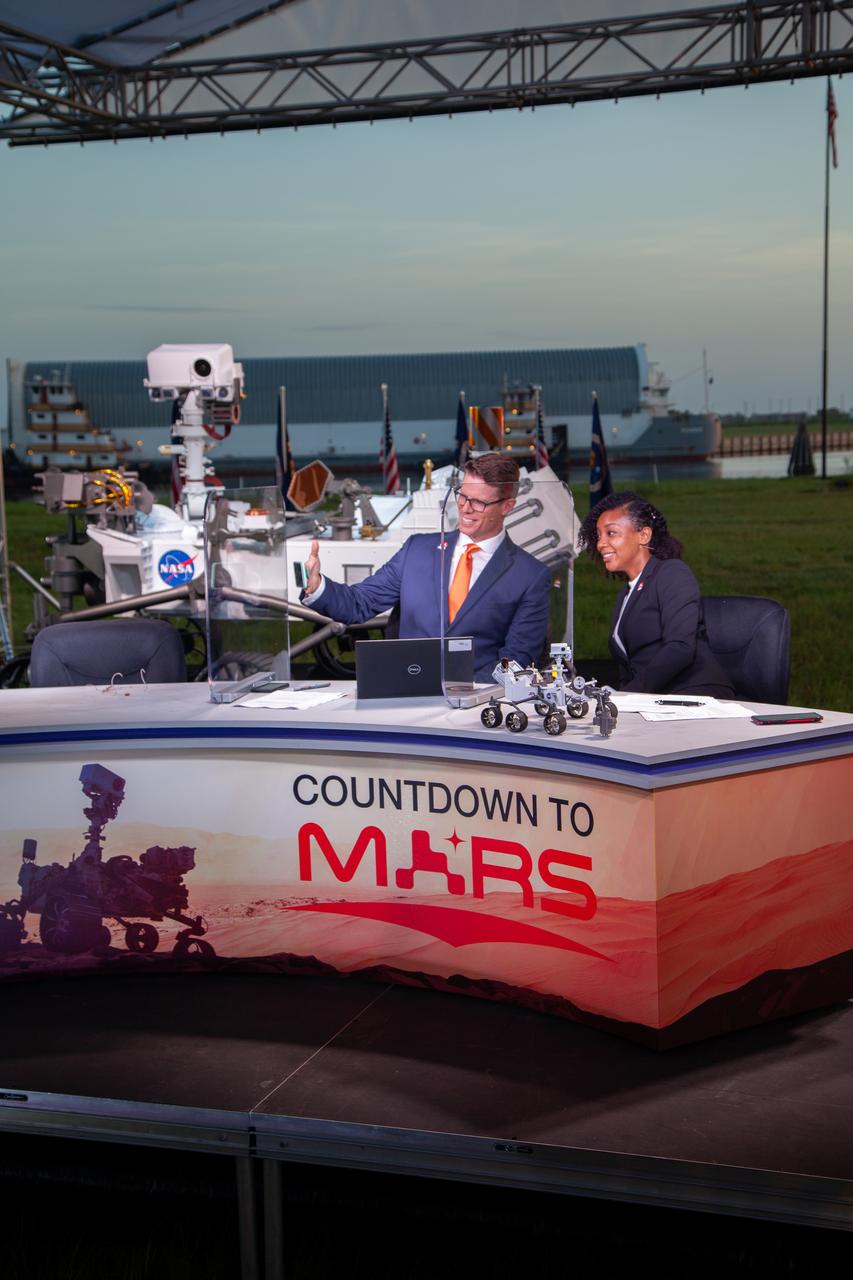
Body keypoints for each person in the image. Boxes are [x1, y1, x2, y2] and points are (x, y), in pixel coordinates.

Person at [302, 454, 552, 681]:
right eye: (462, 496)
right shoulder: (416, 550)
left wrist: (464, 692)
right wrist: (318, 587)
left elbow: (516, 660)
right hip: (406, 695)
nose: (465, 508)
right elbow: (360, 603)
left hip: (478, 710)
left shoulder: (530, 576)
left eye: (479, 502)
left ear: (507, 506)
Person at [578, 491, 733, 697]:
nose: (600, 544)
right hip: (652, 702)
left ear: (643, 535)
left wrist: (628, 697)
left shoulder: (672, 573)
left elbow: (680, 647)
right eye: (598, 535)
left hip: (693, 696)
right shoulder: (625, 595)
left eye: (611, 533)